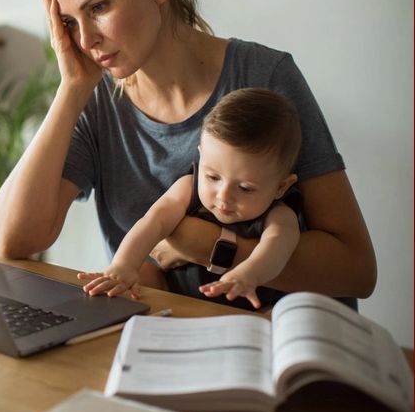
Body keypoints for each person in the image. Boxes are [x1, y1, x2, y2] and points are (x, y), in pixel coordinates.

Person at [0, 0, 376, 308]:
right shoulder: (94, 98)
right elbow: (13, 239)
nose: (85, 40)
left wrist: (205, 244)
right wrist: (71, 89)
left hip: (275, 345)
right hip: (160, 344)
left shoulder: (265, 76)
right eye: (68, 21)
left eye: (98, 7)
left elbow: (356, 270)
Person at [79, 88, 302, 310]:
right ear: (200, 156)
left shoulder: (280, 215)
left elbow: (276, 251)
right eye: (213, 176)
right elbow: (154, 220)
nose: (223, 196)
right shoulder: (188, 187)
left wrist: (247, 276)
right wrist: (123, 264)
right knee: (141, 274)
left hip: (238, 310)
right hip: (172, 294)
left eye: (245, 188)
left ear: (281, 187)